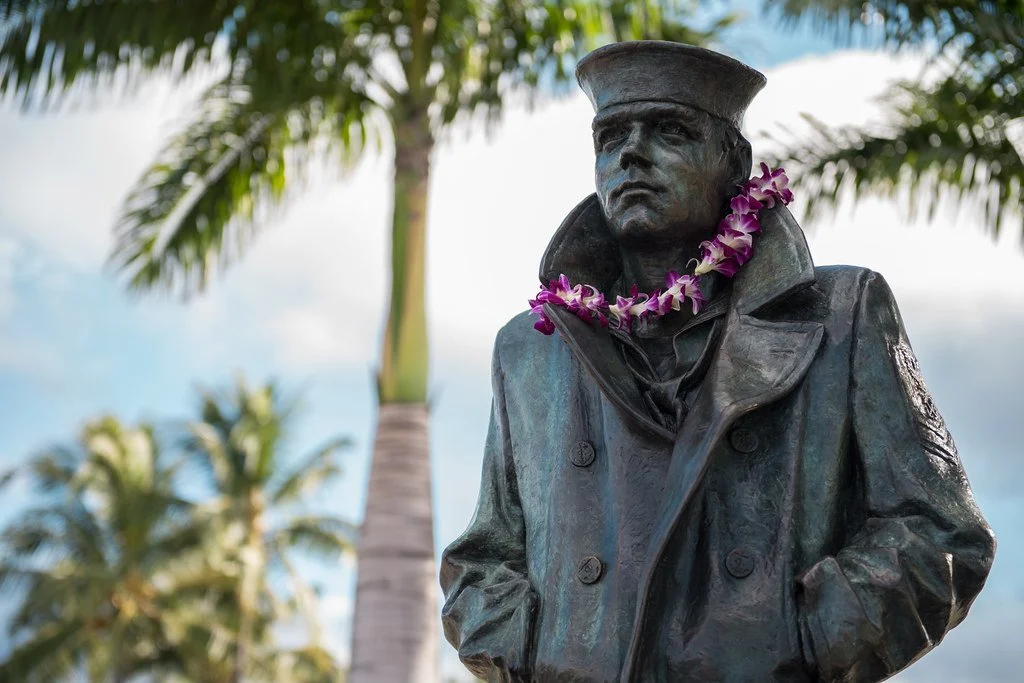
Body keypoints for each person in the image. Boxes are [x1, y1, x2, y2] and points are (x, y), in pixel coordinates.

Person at [439, 40, 995, 683]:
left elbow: (940, 532)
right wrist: (537, 653)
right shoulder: (532, 349)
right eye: (610, 135)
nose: (631, 154)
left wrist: (799, 636)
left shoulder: (841, 313)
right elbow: (483, 559)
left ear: (734, 162)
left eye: (669, 131)